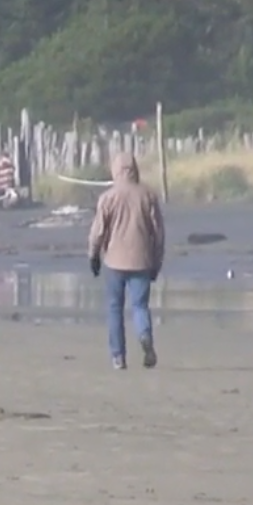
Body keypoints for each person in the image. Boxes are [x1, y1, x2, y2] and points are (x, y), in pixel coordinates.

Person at [87, 152, 165, 370]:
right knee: (140, 306)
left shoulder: (108, 198)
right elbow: (158, 234)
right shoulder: (148, 196)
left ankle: (118, 357)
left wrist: (93, 256)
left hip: (114, 261)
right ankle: (144, 335)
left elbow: (98, 232)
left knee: (114, 308)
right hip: (142, 260)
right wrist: (157, 262)